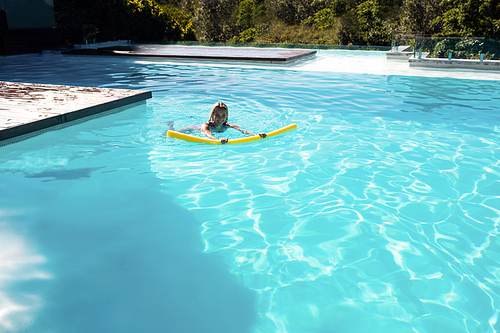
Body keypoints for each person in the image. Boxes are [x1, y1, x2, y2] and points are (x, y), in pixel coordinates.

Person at [169, 102, 267, 144]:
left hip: (212, 133)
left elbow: (244, 131)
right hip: (195, 128)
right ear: (212, 116)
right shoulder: (206, 125)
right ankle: (170, 125)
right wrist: (218, 140)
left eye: (223, 115)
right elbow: (208, 135)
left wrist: (256, 135)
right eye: (217, 115)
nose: (221, 118)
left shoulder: (228, 125)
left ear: (227, 116)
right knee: (174, 132)